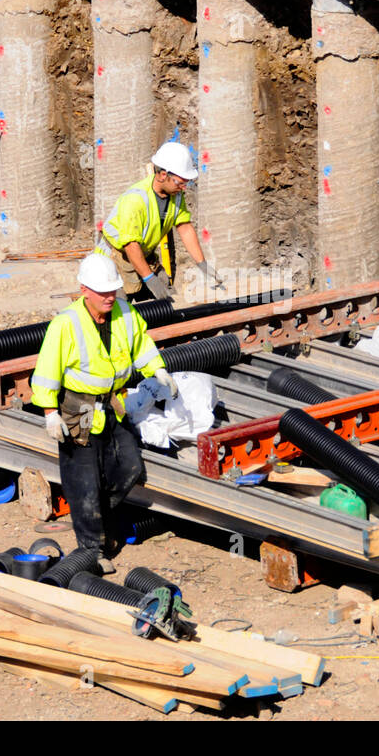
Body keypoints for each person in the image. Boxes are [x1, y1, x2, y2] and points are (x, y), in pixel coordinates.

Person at [31, 252, 177, 570]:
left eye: (113, 290)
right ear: (84, 290)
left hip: (113, 404)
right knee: (83, 480)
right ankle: (91, 549)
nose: (110, 296)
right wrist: (49, 413)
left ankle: (100, 520)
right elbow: (45, 372)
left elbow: (141, 344)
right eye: (103, 291)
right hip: (81, 408)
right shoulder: (65, 324)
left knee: (129, 468)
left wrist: (158, 369)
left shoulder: (124, 312)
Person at [95, 140, 224, 301]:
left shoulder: (175, 196)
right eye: (180, 182)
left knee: (168, 306)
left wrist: (201, 263)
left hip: (142, 254)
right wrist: (149, 279)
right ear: (163, 175)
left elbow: (184, 227)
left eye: (186, 183)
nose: (183, 188)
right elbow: (130, 245)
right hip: (113, 260)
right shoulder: (135, 200)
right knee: (119, 314)